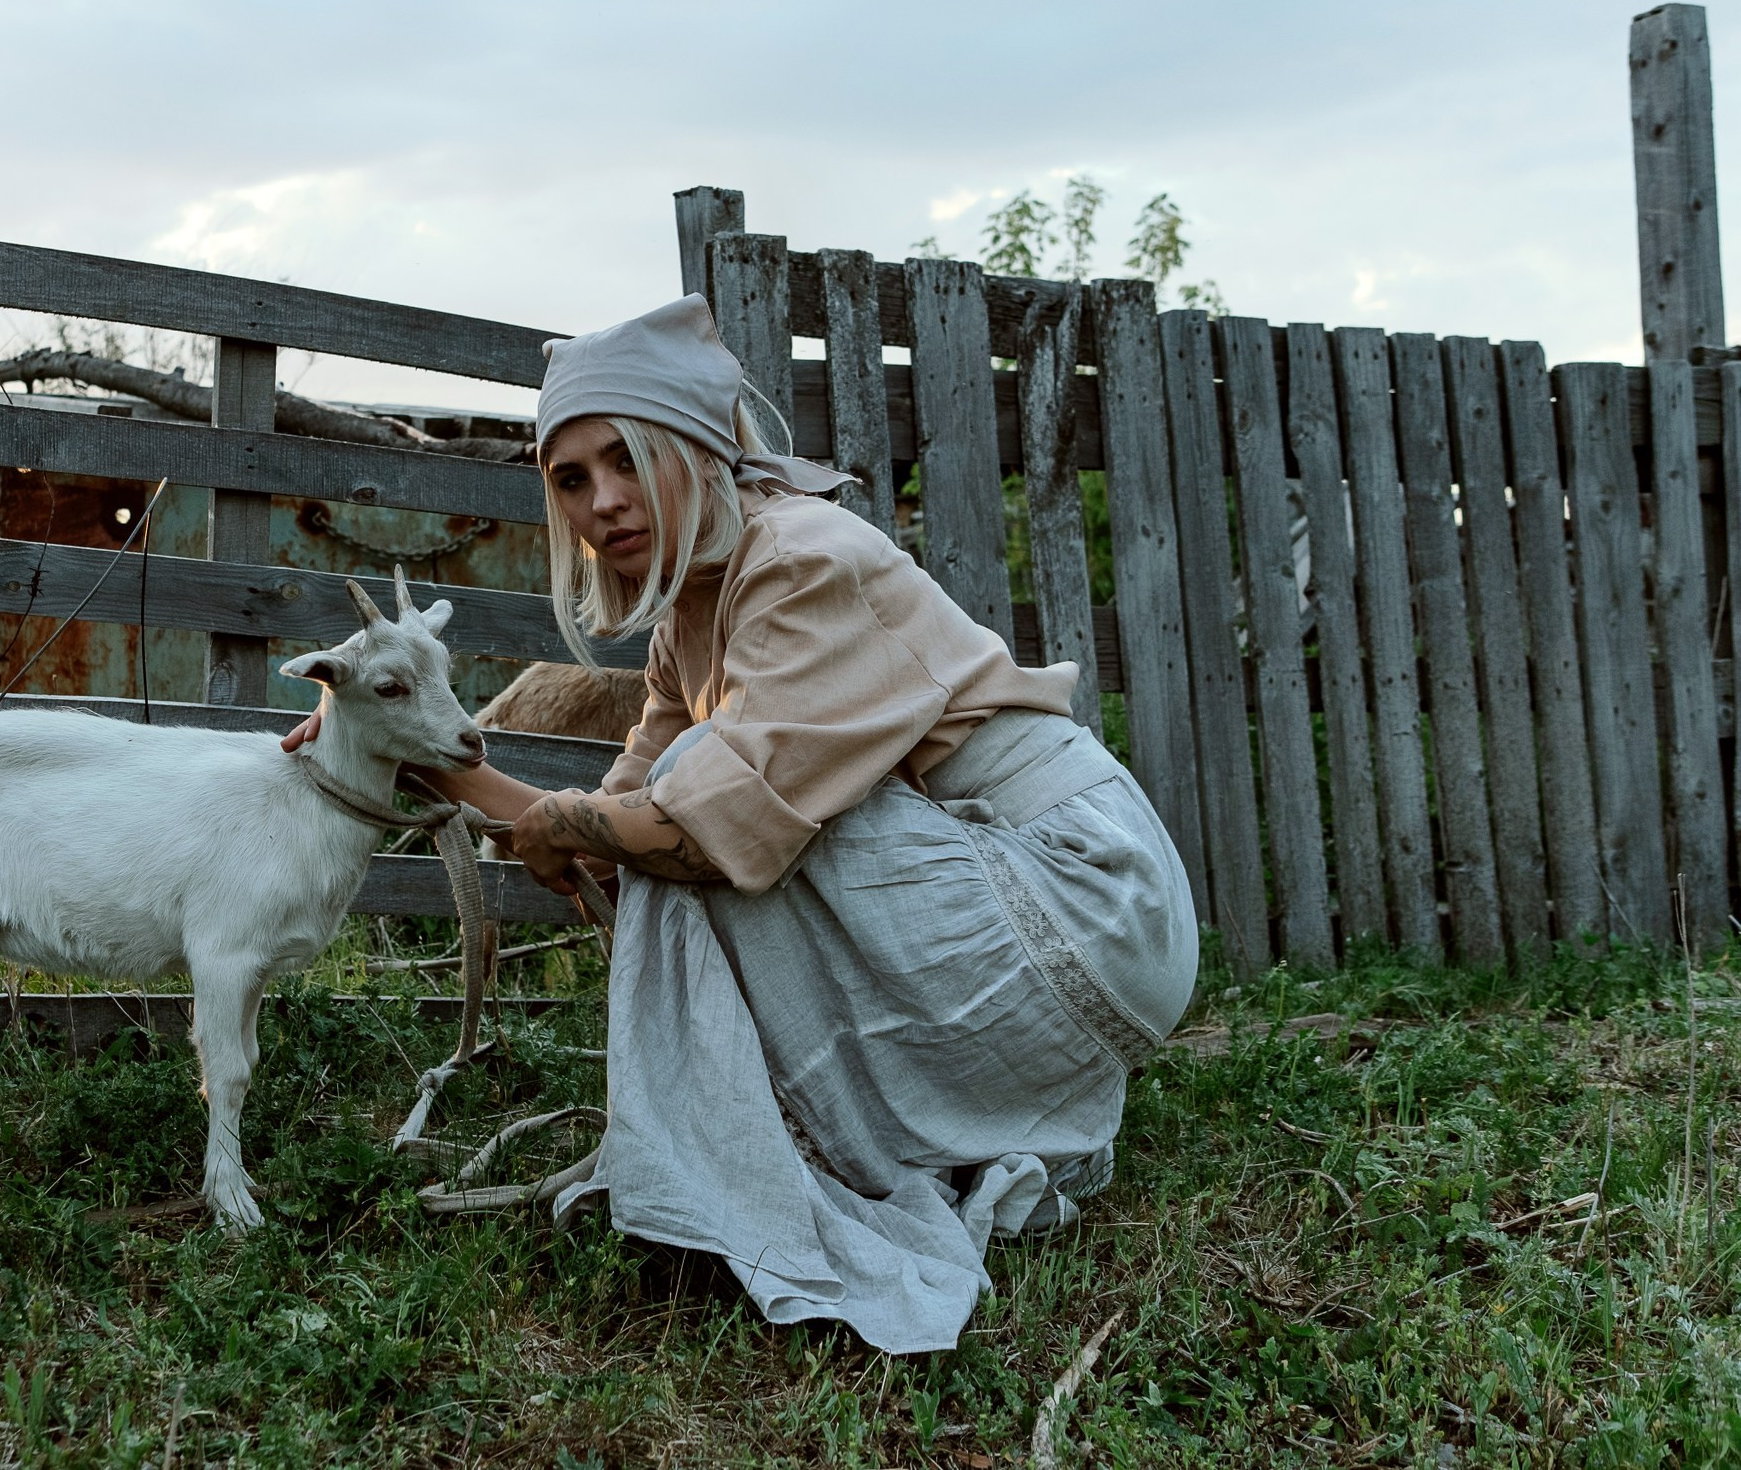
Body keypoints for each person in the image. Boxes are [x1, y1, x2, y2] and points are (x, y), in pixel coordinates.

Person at [290, 294, 1198, 1353]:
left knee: (707, 805)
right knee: (683, 796)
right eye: (571, 479)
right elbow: (614, 822)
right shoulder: (691, 609)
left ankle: (779, 1167)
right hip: (1011, 885)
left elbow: (686, 825)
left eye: (627, 460)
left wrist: (584, 825)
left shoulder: (801, 557)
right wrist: (402, 748)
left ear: (697, 446)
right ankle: (830, 1146)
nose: (602, 502)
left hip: (1087, 898)